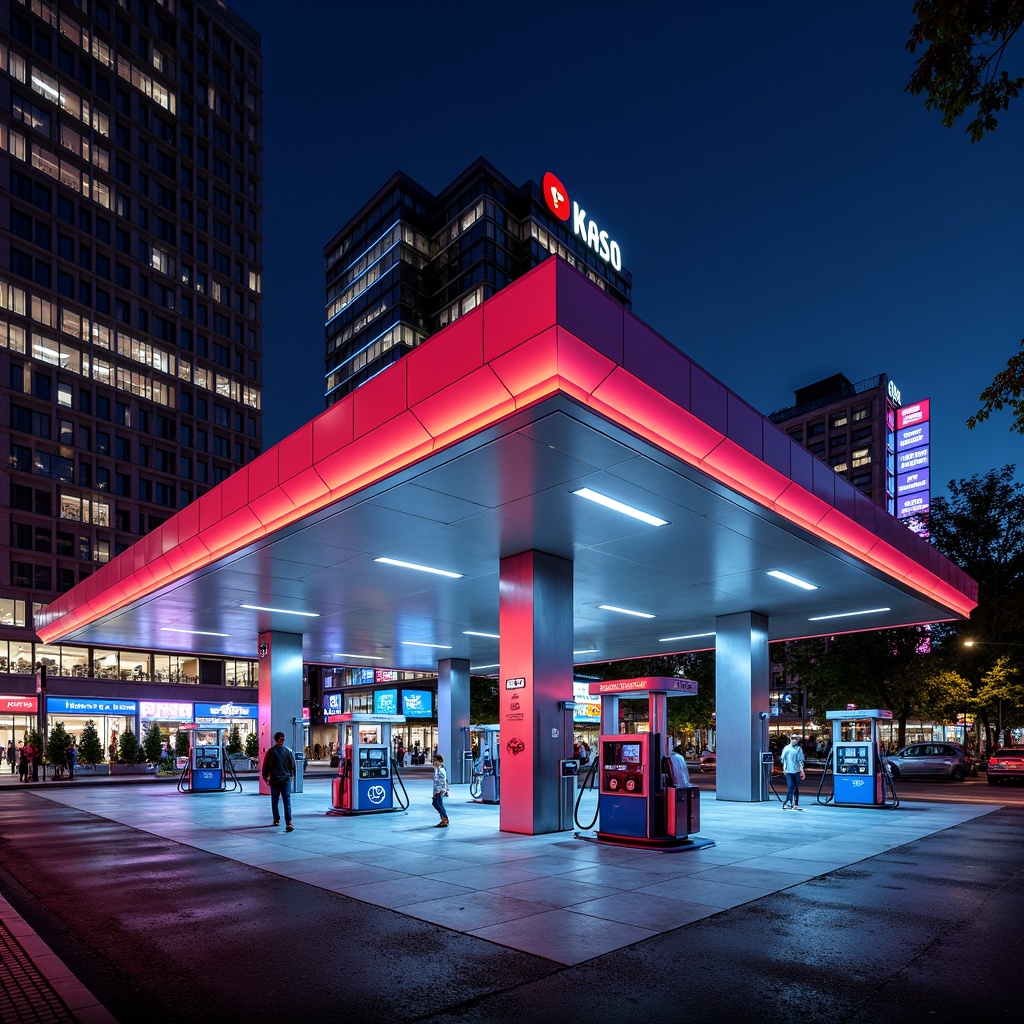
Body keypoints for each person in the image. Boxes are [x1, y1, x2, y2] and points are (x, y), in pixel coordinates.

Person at [261, 731, 296, 831]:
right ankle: (289, 822)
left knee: (275, 801)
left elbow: (266, 766)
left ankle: (276, 819)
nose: (283, 740)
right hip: (285, 780)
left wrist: (265, 777)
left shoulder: (270, 752)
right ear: (278, 739)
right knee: (287, 801)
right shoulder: (287, 751)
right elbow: (292, 765)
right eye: (282, 738)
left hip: (275, 780)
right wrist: (292, 775)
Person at [780, 735, 806, 810]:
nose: (794, 740)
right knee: (791, 786)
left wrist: (801, 770)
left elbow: (800, 760)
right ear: (790, 739)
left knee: (795, 787)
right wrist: (784, 769)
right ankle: (788, 802)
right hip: (788, 771)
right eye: (793, 738)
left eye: (796, 739)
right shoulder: (786, 748)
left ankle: (795, 803)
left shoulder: (798, 749)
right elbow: (783, 760)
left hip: (796, 771)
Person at [431, 753, 449, 828]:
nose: (434, 762)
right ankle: (444, 818)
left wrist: (441, 790)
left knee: (438, 804)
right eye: (433, 760)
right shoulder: (437, 769)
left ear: (439, 761)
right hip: (437, 790)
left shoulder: (441, 770)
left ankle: (445, 819)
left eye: (436, 761)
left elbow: (443, 781)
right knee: (436, 803)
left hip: (439, 791)